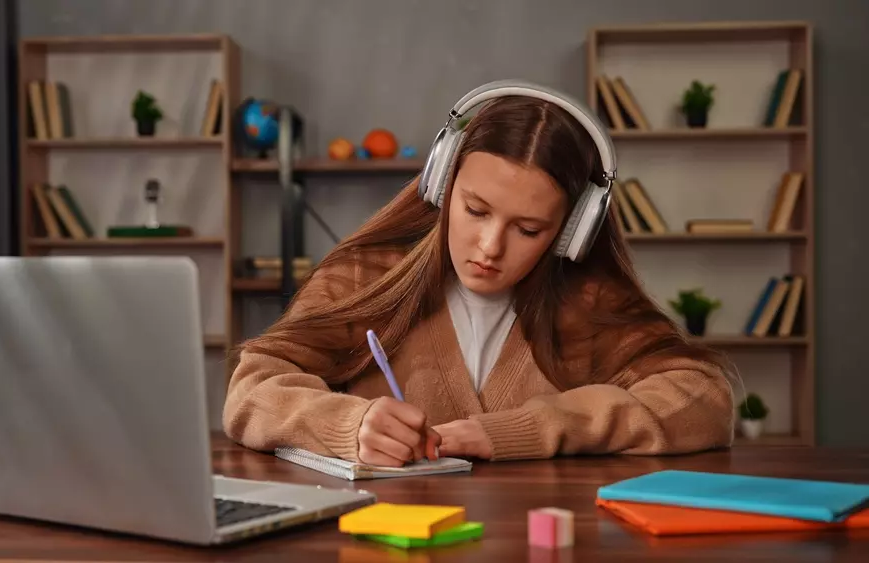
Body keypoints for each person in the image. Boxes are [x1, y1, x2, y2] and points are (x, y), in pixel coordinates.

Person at [223, 84, 737, 468]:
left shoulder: (588, 302)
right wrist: (347, 424)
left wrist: (541, 427)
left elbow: (703, 400)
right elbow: (252, 387)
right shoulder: (366, 276)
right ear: (442, 184)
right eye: (475, 210)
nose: (490, 248)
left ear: (570, 233)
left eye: (529, 229)